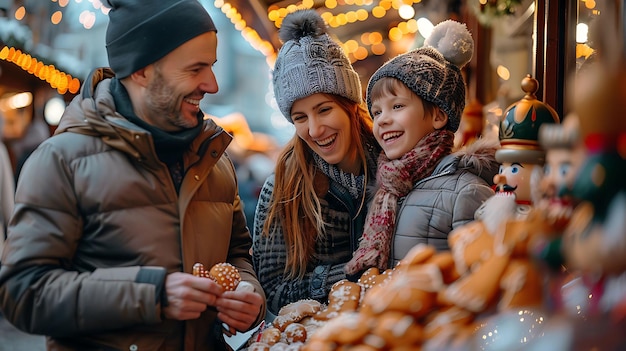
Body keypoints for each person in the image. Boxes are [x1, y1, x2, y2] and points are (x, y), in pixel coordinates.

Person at [0, 1, 265, 350]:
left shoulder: (214, 159)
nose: (211, 84)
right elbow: (23, 293)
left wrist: (248, 292)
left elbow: (238, 254)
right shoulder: (62, 161)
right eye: (195, 68)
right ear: (141, 70)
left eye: (212, 66)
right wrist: (151, 294)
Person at [345, 19, 499, 275]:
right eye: (376, 111)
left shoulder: (467, 191)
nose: (382, 119)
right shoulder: (388, 188)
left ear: (439, 116)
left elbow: (482, 278)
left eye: (397, 106)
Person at [252, 9, 381, 315]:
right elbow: (272, 290)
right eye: (300, 117)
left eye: (324, 109)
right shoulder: (283, 187)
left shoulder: (395, 168)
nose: (314, 129)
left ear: (350, 105)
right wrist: (352, 275)